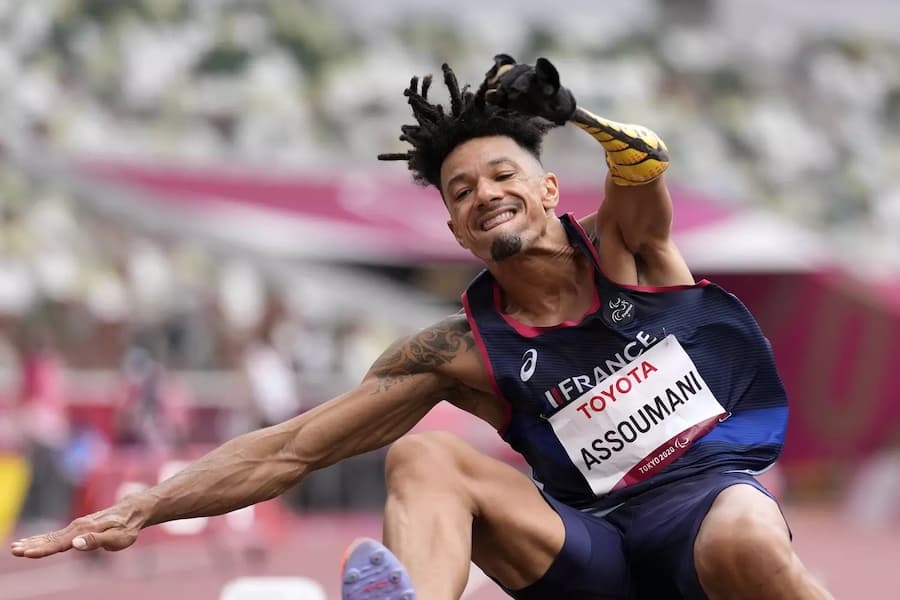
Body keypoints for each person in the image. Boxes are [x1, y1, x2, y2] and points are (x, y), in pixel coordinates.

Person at [10, 55, 832, 600]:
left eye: (502, 173)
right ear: (454, 232)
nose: (484, 193)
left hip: (707, 513)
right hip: (596, 556)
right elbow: (289, 448)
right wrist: (142, 507)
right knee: (423, 452)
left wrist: (579, 115)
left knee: (742, 532)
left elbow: (644, 164)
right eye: (461, 191)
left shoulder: (629, 252)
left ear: (548, 190)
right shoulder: (460, 350)